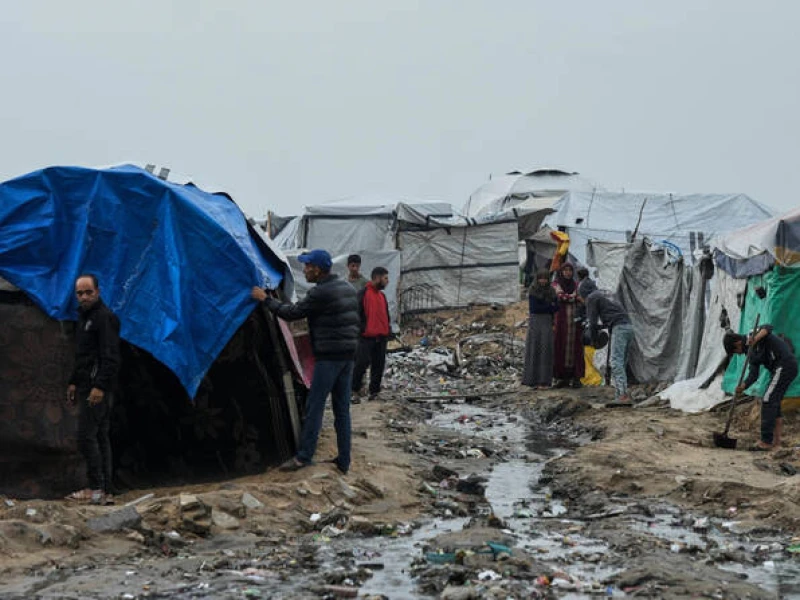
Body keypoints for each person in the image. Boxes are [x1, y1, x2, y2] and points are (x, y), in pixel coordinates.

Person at [252, 249, 360, 474]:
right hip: (348, 356)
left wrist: (266, 300)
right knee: (342, 409)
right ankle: (344, 460)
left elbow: (292, 313)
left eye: (307, 266)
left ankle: (303, 457)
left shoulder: (320, 293)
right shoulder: (348, 288)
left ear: (317, 269)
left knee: (315, 406)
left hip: (329, 357)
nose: (304, 270)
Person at [66, 274, 121, 503]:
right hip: (87, 384)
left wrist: (99, 386)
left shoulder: (103, 318)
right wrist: (73, 381)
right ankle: (104, 489)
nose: (84, 297)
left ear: (98, 291)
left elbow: (110, 356)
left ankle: (97, 489)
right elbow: (84, 356)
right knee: (99, 436)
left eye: (88, 292)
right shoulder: (85, 318)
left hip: (97, 388)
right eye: (80, 293)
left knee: (86, 436)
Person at [724, 325, 798, 450]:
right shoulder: (750, 354)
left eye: (735, 351)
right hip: (777, 370)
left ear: (737, 343)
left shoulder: (752, 334)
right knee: (774, 403)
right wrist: (743, 386)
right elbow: (753, 374)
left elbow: (768, 327)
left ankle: (766, 442)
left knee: (768, 400)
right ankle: (776, 442)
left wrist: (755, 338)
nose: (738, 354)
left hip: (785, 364)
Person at [579, 281, 634, 404]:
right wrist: (602, 326)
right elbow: (613, 313)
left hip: (619, 328)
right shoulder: (606, 293)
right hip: (629, 326)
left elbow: (592, 322)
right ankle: (621, 393)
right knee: (621, 362)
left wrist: (593, 339)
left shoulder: (592, 297)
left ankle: (623, 396)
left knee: (615, 362)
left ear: (584, 294)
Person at [352, 267, 391, 402]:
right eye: (385, 278)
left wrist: (387, 331)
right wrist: (361, 330)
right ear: (377, 278)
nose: (387, 281)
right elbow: (355, 314)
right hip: (366, 337)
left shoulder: (382, 296)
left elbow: (386, 315)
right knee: (361, 364)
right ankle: (354, 391)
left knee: (378, 365)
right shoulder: (363, 294)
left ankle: (374, 391)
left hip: (381, 337)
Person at [522, 270, 559, 389]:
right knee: (535, 349)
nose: (543, 281)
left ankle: (544, 381)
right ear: (537, 279)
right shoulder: (533, 290)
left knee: (546, 351)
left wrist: (547, 307)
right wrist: (549, 307)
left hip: (547, 323)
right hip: (536, 323)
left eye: (545, 279)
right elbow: (534, 308)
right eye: (540, 279)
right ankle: (532, 380)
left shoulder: (551, 291)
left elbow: (557, 307)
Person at [552, 263, 585, 388]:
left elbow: (580, 297)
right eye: (565, 270)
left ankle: (576, 377)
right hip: (561, 322)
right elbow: (561, 297)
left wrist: (574, 297)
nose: (568, 273)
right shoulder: (556, 284)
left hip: (575, 323)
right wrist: (574, 297)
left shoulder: (576, 285)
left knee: (576, 348)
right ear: (561, 272)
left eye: (570, 270)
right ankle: (562, 378)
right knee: (560, 346)